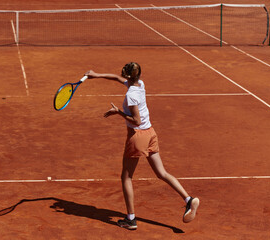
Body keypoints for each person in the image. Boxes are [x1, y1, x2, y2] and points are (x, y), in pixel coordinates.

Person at [85, 62, 199, 230]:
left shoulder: (131, 95)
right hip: (151, 134)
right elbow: (116, 78)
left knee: (126, 177)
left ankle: (131, 219)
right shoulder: (140, 84)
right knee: (162, 173)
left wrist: (118, 112)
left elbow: (136, 120)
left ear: (127, 76)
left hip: (137, 137)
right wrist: (97, 75)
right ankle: (188, 200)